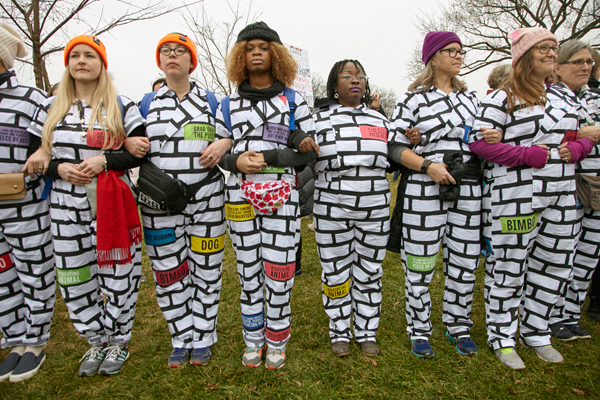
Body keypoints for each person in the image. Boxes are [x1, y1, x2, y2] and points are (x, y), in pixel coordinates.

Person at [470, 27, 594, 369]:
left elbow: (581, 136)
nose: (551, 53)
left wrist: (577, 150)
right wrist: (528, 155)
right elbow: (480, 144)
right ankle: (502, 335)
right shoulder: (502, 97)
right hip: (517, 195)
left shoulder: (565, 98)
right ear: (524, 54)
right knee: (509, 265)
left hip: (561, 194)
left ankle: (538, 330)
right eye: (544, 48)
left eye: (554, 48)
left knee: (554, 264)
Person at [29, 35, 146, 376]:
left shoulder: (122, 105)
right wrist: (57, 168)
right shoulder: (52, 109)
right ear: (67, 64)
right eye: (75, 56)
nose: (81, 61)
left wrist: (106, 161)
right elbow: (36, 156)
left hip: (111, 200)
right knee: (74, 276)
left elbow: (139, 150)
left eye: (89, 56)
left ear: (101, 64)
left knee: (119, 273)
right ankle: (95, 340)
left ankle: (118, 341)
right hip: (65, 206)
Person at [124, 32, 230, 368]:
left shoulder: (214, 102)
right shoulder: (144, 105)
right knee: (169, 270)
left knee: (206, 269)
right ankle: (180, 336)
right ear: (159, 61)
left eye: (180, 51)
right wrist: (130, 145)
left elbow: (231, 136)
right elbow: (128, 143)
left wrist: (224, 145)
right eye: (166, 51)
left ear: (190, 61)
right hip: (159, 205)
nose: (173, 55)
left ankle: (203, 337)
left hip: (206, 200)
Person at [216, 21, 317, 370]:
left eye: (263, 46)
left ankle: (277, 340)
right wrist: (236, 161)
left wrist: (272, 157)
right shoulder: (227, 103)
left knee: (279, 270)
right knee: (248, 270)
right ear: (240, 56)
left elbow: (308, 154)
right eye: (249, 47)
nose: (256, 52)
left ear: (276, 55)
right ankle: (253, 339)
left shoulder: (293, 100)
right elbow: (219, 154)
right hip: (239, 198)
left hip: (281, 199)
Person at [389, 31, 482, 358]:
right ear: (433, 57)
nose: (458, 56)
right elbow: (394, 147)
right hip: (424, 188)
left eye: (461, 51)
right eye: (451, 51)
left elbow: (482, 142)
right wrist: (428, 165)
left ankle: (458, 325)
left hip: (468, 186)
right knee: (421, 260)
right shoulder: (413, 99)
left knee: (464, 259)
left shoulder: (473, 100)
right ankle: (418, 329)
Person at [312, 59, 390, 358]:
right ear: (335, 85)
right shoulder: (317, 120)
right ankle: (339, 331)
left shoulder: (381, 120)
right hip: (332, 206)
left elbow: (395, 154)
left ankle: (367, 330)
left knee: (370, 269)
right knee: (335, 269)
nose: (355, 80)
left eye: (359, 75)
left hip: (375, 206)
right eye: (347, 75)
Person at [0, 23, 55, 383]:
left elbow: (52, 141)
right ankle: (13, 338)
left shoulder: (33, 97)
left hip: (23, 202)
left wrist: (42, 151)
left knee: (32, 269)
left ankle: (35, 340)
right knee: (2, 274)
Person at [548, 40, 600, 340]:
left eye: (589, 62)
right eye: (577, 61)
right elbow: (544, 133)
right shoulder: (549, 98)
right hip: (568, 184)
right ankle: (551, 313)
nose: (585, 67)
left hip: (596, 184)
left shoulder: (593, 98)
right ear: (558, 66)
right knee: (562, 253)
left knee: (588, 254)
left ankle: (571, 312)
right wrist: (582, 133)